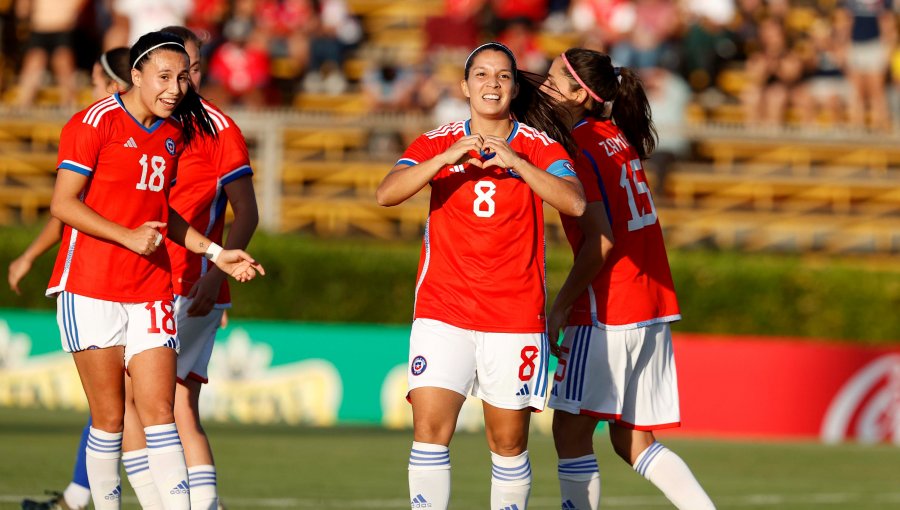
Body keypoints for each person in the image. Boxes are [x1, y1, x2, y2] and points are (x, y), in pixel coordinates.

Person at [16, 26, 259, 510]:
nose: (175, 88)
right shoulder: (93, 122)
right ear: (136, 74)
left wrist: (215, 254)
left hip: (151, 289)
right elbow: (64, 204)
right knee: (109, 418)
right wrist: (126, 236)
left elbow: (163, 213)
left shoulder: (175, 132)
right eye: (164, 76)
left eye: (183, 78)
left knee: (161, 414)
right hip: (91, 286)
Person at [375, 42, 586, 510]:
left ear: (513, 86)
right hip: (442, 309)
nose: (492, 84)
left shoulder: (538, 144)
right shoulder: (438, 140)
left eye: (503, 76)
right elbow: (386, 193)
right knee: (430, 432)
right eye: (483, 75)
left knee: (508, 444)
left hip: (513, 314)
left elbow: (574, 202)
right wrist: (442, 160)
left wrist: (517, 163)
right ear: (464, 86)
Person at [541, 47, 715, 510]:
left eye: (555, 76)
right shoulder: (613, 134)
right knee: (633, 442)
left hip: (609, 308)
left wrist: (559, 307)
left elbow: (601, 242)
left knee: (570, 430)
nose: (544, 82)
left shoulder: (579, 142)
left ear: (580, 93)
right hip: (651, 304)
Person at [12, 48, 132, 510]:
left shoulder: (108, 124)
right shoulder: (102, 125)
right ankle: (80, 496)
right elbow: (68, 207)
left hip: (116, 279)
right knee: (120, 406)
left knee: (142, 408)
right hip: (123, 279)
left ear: (108, 81)